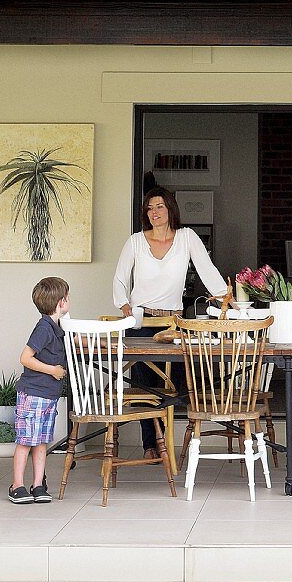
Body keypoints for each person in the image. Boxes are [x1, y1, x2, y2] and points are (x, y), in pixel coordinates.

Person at [112, 187, 231, 458]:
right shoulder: (135, 241)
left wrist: (227, 299)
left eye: (160, 207)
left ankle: (164, 439)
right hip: (141, 321)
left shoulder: (187, 238)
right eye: (150, 208)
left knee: (174, 383)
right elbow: (119, 279)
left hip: (174, 322)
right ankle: (150, 446)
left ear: (170, 209)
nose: (154, 212)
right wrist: (126, 307)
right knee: (144, 383)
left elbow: (208, 271)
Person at [10, 276, 70, 504]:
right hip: (33, 394)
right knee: (26, 441)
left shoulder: (56, 327)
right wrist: (53, 370)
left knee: (41, 441)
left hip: (47, 396)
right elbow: (25, 358)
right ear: (61, 302)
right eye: (68, 296)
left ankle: (37, 485)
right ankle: (17, 485)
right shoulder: (44, 328)